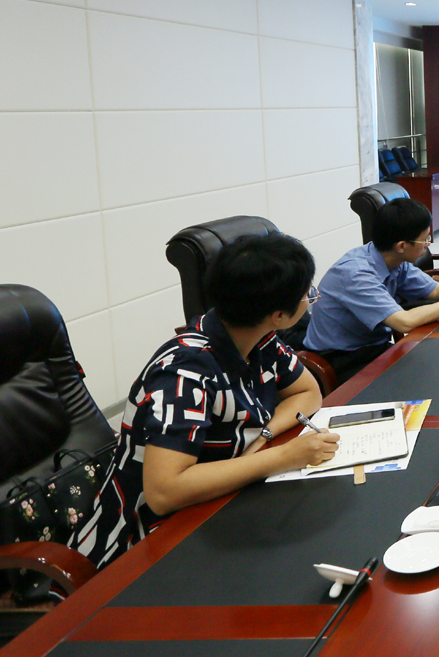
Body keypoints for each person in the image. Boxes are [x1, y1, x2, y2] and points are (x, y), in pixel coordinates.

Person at [69, 233, 342, 569]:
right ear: (279, 315)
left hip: (223, 501)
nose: (309, 298)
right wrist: (283, 456)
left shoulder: (258, 338)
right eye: (307, 294)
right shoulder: (184, 372)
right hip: (145, 544)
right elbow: (164, 492)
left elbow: (307, 393)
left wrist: (265, 436)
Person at [305, 198, 439, 380]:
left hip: (374, 348)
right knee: (432, 376)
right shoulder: (356, 274)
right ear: (402, 246)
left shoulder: (393, 259)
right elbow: (404, 322)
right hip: (341, 360)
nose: (428, 244)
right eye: (424, 239)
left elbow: (436, 290)